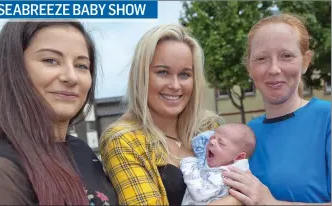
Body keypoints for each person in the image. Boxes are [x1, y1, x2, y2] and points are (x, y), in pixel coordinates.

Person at [100, 24, 242, 205]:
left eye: (184, 74)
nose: (175, 85)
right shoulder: (123, 139)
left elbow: (249, 183)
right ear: (141, 76)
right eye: (163, 72)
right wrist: (233, 201)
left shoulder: (209, 128)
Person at [0, 21, 118, 205]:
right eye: (50, 61)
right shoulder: (1, 167)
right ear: (14, 69)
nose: (71, 77)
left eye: (81, 65)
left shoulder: (81, 150)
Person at [222, 14, 331, 205]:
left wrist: (271, 203)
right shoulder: (246, 134)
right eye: (262, 58)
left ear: (306, 61)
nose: (274, 69)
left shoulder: (327, 119)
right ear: (249, 66)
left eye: (286, 56)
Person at [180, 123, 255, 205]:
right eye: (212, 138)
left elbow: (200, 193)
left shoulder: (228, 175)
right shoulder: (221, 161)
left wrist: (189, 166)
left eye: (221, 143)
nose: (212, 142)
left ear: (239, 157)